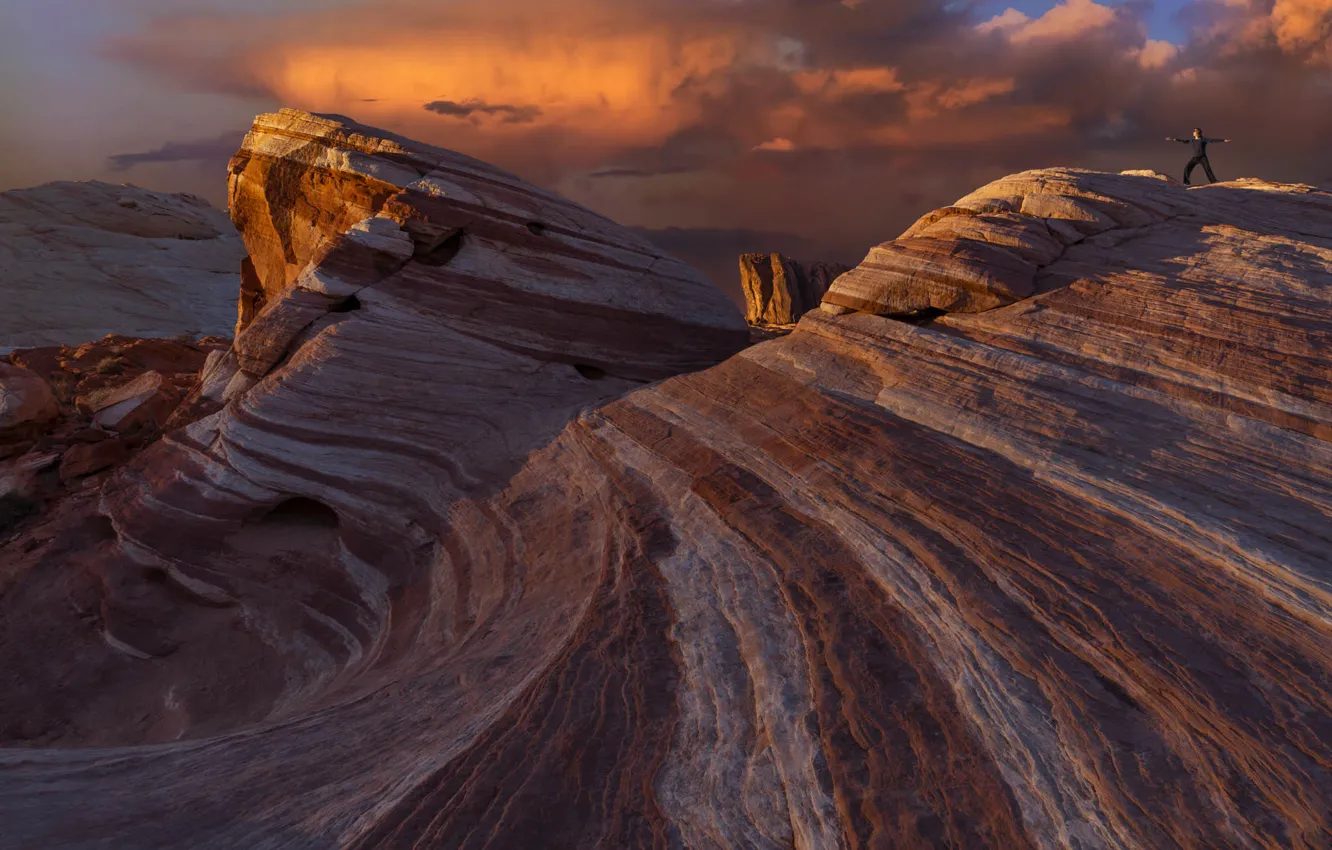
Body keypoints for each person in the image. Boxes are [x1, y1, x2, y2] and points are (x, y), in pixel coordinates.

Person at [1166, 129, 1230, 185]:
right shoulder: (1192, 140)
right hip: (1195, 158)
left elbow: (1212, 140)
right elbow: (1184, 141)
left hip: (1202, 157)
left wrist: (1223, 140)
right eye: (1194, 131)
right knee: (1187, 168)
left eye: (1195, 132)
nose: (1193, 133)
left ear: (1198, 133)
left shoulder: (1203, 140)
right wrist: (1174, 139)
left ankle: (1214, 181)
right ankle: (1186, 182)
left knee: (1207, 169)